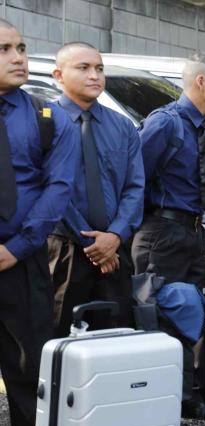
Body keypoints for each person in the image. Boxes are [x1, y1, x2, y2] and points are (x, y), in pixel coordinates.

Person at [133, 52, 205, 426]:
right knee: (158, 322)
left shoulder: (196, 126)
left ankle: (189, 400)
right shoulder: (165, 124)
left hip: (191, 232)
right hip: (163, 234)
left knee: (191, 318)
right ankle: (156, 416)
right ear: (200, 83)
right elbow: (134, 178)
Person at [0, 19, 79, 426]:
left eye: (22, 47)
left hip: (22, 260)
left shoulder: (47, 118)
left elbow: (59, 188)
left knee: (29, 362)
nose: (18, 57)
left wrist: (17, 247)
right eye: (5, 49)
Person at [48, 42, 144, 338]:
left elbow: (134, 186)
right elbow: (51, 187)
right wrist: (93, 245)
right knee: (58, 335)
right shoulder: (45, 122)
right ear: (59, 75)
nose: (94, 75)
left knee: (115, 338)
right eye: (84, 68)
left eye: (99, 69)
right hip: (64, 249)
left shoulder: (123, 127)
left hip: (115, 252)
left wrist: (115, 236)